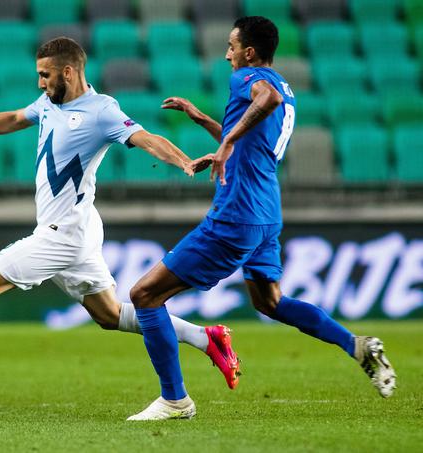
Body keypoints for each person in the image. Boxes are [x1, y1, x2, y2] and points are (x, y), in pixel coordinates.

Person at [0, 37, 241, 409]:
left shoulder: (102, 111)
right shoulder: (50, 102)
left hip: (63, 234)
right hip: (78, 228)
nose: (40, 83)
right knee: (109, 315)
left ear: (68, 72)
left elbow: (145, 138)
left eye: (45, 75)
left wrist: (182, 161)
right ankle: (206, 337)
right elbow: (13, 118)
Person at [126, 16, 397, 421]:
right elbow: (255, 132)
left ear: (249, 51)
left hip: (236, 216)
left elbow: (261, 101)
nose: (227, 54)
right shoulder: (287, 88)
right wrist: (203, 121)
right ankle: (355, 345)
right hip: (267, 213)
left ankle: (174, 400)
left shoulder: (251, 79)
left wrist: (227, 144)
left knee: (144, 296)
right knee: (270, 302)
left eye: (231, 46)